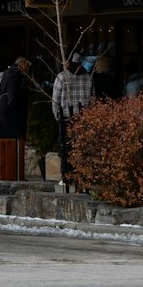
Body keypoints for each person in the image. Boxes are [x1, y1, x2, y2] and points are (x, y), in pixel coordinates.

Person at [52, 53, 94, 187]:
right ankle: (82, 176)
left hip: (66, 118)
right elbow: (93, 99)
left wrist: (58, 117)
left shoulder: (62, 77)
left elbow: (55, 101)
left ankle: (66, 177)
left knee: (66, 149)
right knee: (83, 148)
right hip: (84, 118)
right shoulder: (88, 78)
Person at [0, 56, 32, 137]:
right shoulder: (15, 74)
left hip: (0, 110)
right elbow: (13, 95)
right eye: (28, 65)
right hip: (7, 114)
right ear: (22, 63)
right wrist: (13, 111)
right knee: (11, 139)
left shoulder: (8, 72)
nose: (28, 68)